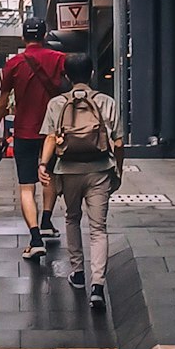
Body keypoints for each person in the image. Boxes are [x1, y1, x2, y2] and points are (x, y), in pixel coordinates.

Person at [39, 53, 123, 309]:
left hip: (68, 170)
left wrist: (43, 165)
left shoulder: (57, 103)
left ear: (66, 76)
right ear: (92, 74)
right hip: (99, 169)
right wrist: (117, 169)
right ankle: (97, 286)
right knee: (99, 229)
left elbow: (52, 138)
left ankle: (77, 272)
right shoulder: (106, 102)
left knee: (72, 218)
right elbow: (118, 142)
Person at [0, 16, 66, 259]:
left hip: (24, 131)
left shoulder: (13, 64)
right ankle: (46, 221)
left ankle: (35, 238)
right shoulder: (59, 60)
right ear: (44, 36)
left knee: (26, 186)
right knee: (49, 176)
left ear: (23, 37)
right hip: (51, 133)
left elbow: (2, 102)